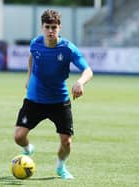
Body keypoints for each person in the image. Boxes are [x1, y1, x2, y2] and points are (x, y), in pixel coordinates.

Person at [13, 9, 93, 180]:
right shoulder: (35, 44)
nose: (51, 31)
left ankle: (60, 167)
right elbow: (32, 58)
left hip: (59, 101)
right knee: (18, 137)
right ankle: (28, 150)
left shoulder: (68, 49)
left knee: (67, 142)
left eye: (54, 27)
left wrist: (80, 82)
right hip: (35, 99)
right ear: (42, 27)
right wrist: (28, 78)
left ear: (59, 28)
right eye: (47, 27)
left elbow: (88, 70)